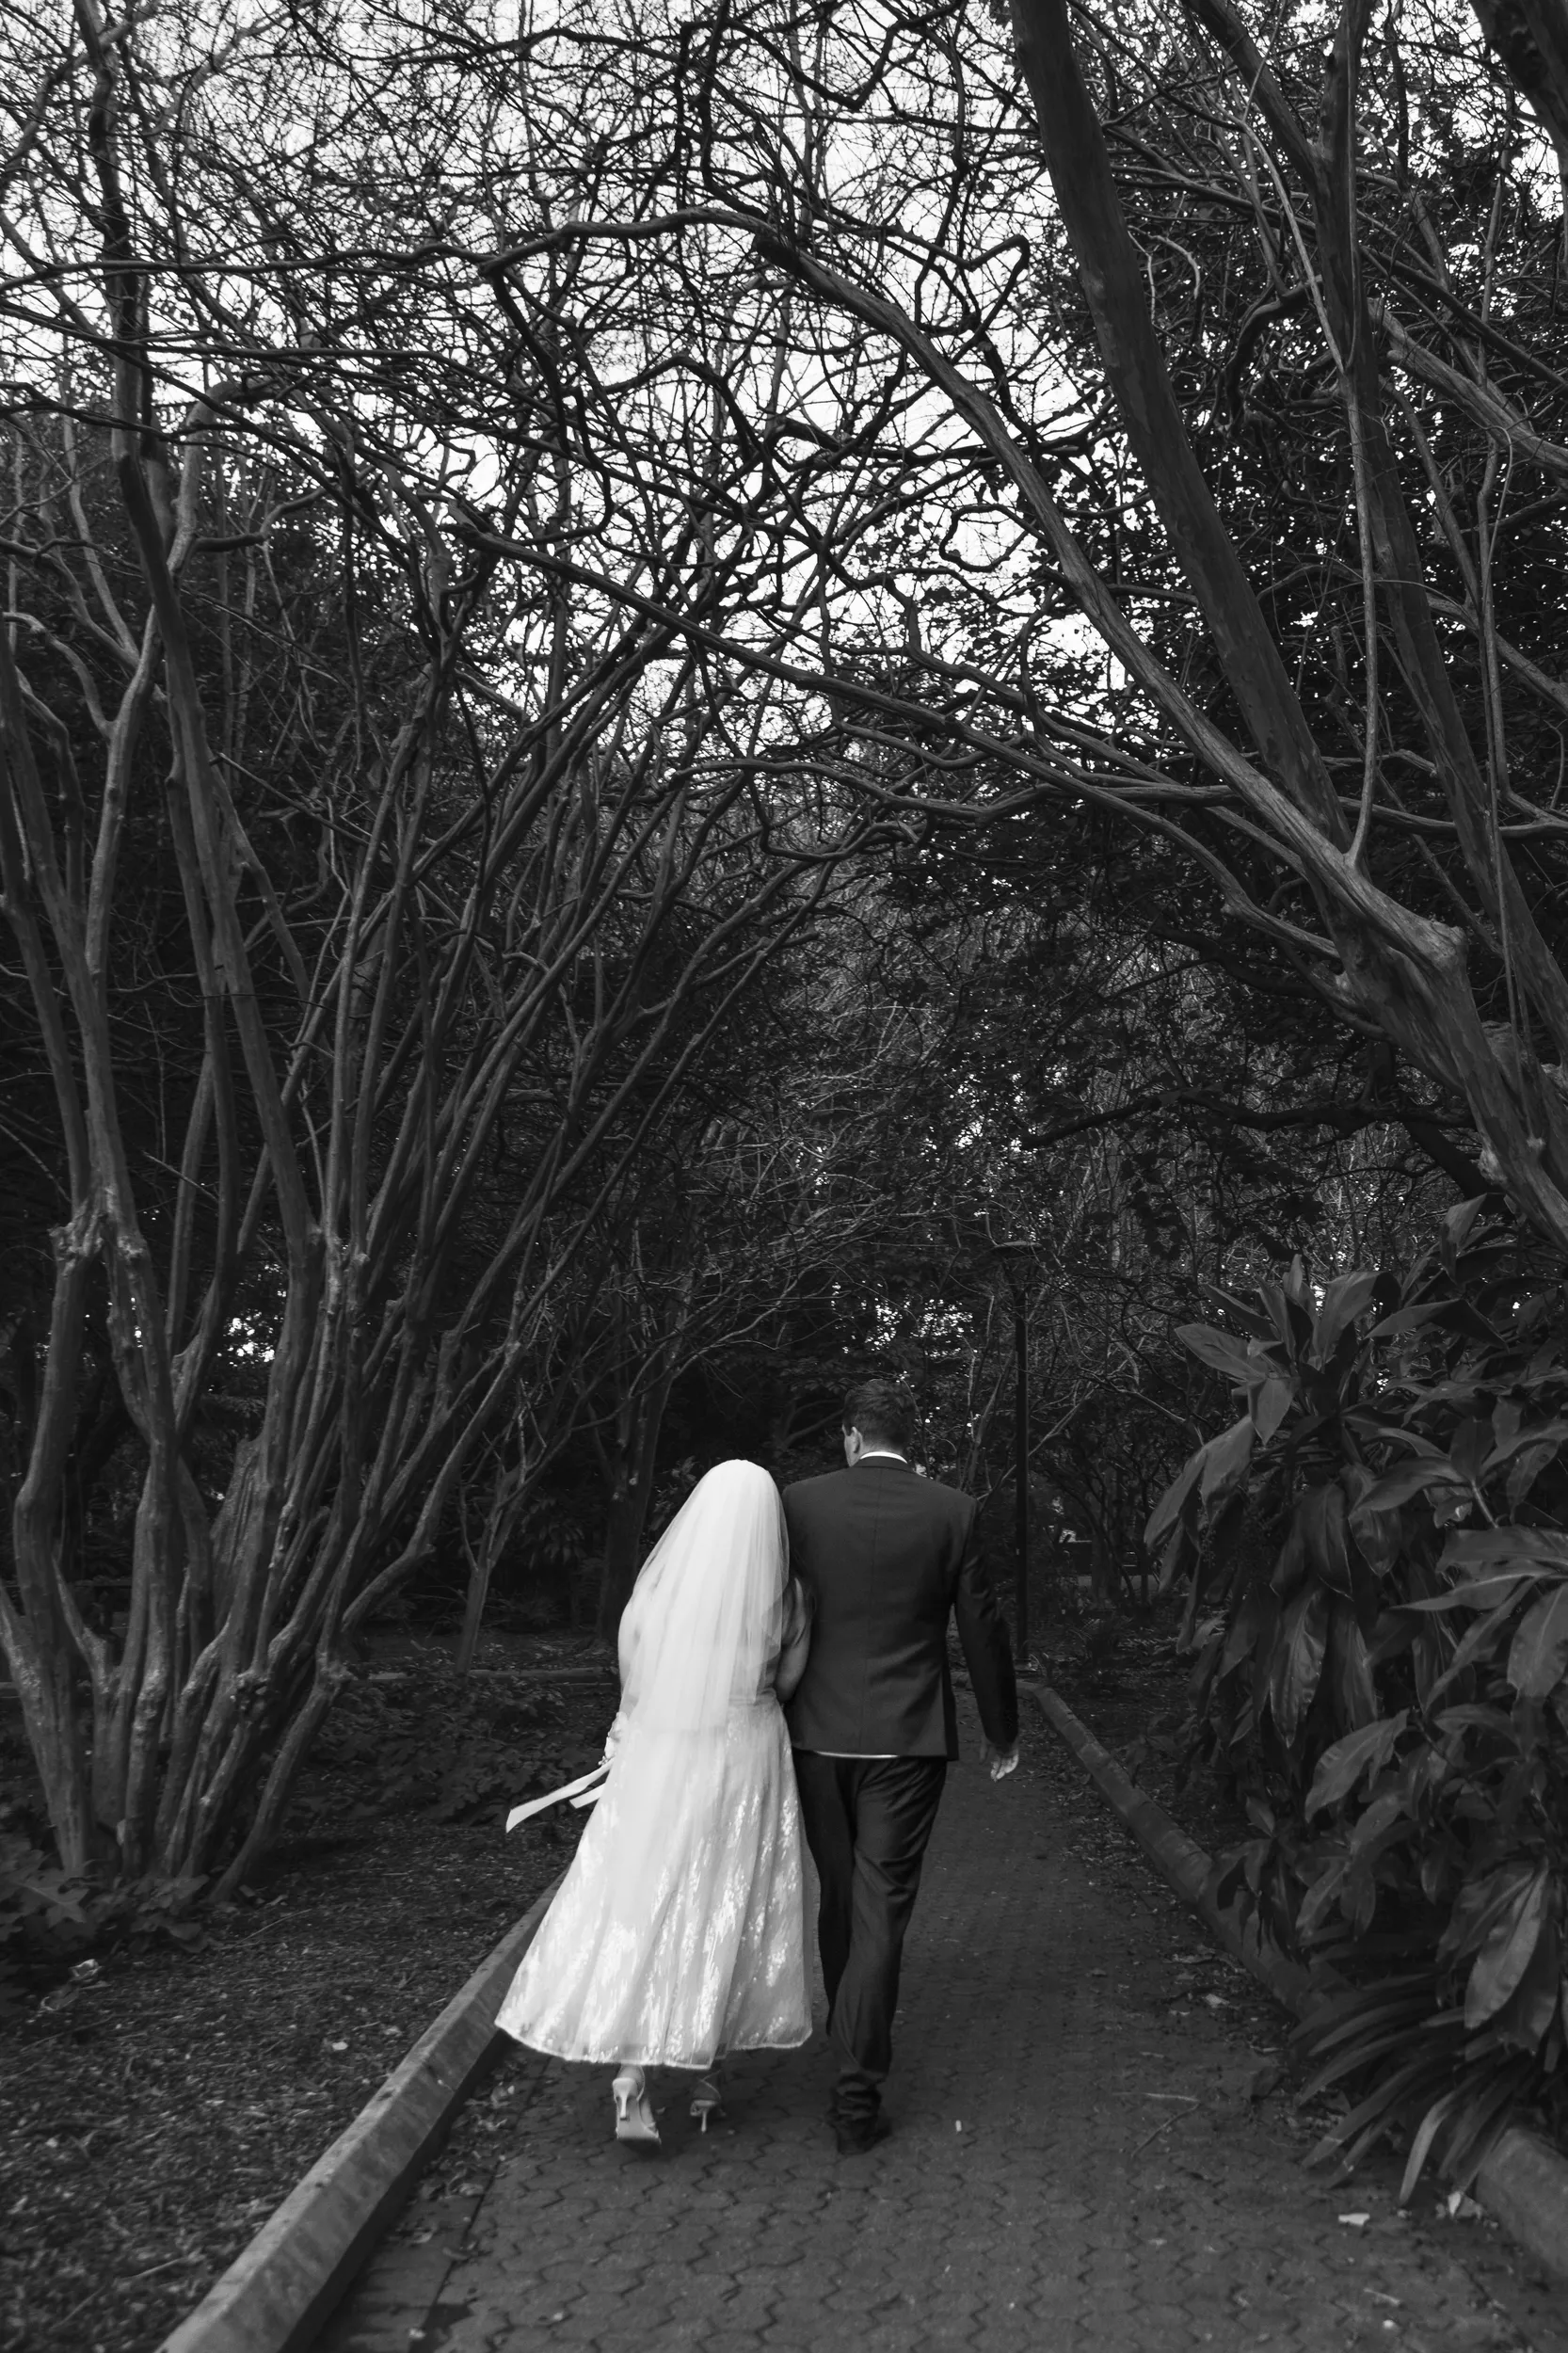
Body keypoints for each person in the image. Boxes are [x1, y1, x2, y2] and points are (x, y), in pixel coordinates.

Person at [495, 1459, 813, 2145]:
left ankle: (632, 2069)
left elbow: (632, 1691)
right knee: (730, 1898)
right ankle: (707, 2077)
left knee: (648, 1895)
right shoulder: (787, 1597)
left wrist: (624, 1749)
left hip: (662, 1756)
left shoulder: (652, 1596)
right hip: (746, 1754)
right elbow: (787, 1684)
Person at [784, 1378, 1018, 2155]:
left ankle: (846, 2043)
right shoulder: (952, 1511)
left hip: (814, 1736)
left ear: (852, 1435)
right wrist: (1001, 1730)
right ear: (905, 1438)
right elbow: (982, 1626)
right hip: (907, 1739)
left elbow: (771, 1610)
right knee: (881, 1904)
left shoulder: (801, 1504)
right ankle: (856, 2092)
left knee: (839, 1893)